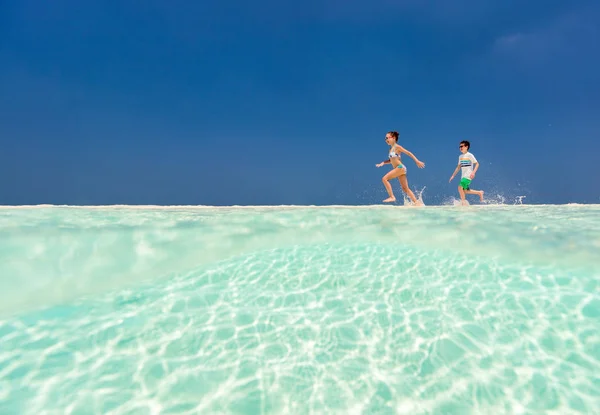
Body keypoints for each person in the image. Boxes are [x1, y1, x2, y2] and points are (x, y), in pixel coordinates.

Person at [376, 131, 425, 204]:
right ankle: (417, 203)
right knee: (405, 188)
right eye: (385, 138)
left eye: (387, 138)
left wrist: (416, 161)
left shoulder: (397, 147)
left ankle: (392, 196)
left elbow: (408, 153)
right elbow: (391, 160)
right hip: (400, 169)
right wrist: (383, 163)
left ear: (393, 138)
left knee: (384, 179)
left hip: (400, 167)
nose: (386, 140)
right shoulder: (390, 149)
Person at [449, 140, 484, 205]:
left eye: (462, 146)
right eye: (459, 146)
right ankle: (479, 193)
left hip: (468, 175)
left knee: (459, 187)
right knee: (465, 190)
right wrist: (453, 175)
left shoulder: (470, 155)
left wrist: (473, 172)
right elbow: (458, 167)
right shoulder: (460, 157)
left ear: (466, 147)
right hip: (463, 176)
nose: (460, 148)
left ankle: (463, 203)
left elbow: (477, 164)